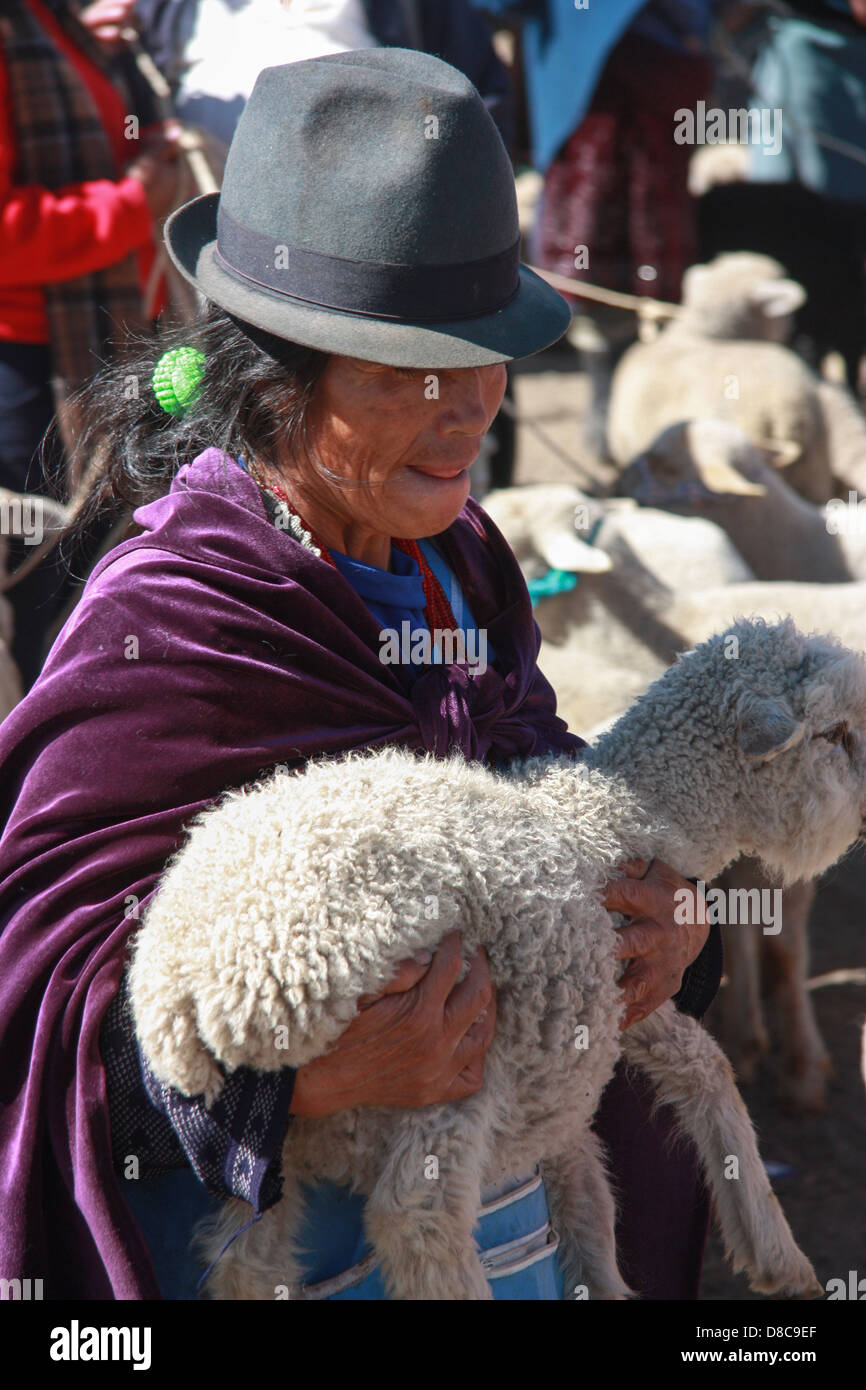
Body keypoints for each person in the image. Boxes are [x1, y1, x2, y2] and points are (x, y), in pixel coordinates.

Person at [0, 48, 719, 1300]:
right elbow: (36, 1004)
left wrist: (664, 926)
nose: (475, 406)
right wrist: (296, 1078)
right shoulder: (174, 619)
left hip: (498, 1216)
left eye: (488, 357)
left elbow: (535, 789)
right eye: (414, 372)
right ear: (278, 385)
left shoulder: (461, 566)